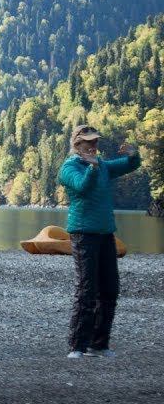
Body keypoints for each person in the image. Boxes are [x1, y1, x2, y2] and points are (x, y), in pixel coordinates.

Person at [60, 124, 140, 359]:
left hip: (105, 233)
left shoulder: (103, 165)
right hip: (83, 233)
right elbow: (82, 187)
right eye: (89, 142)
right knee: (87, 289)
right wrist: (92, 169)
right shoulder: (69, 167)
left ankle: (99, 344)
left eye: (95, 141)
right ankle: (77, 346)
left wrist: (134, 155)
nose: (94, 145)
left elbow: (129, 165)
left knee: (109, 289)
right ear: (77, 144)